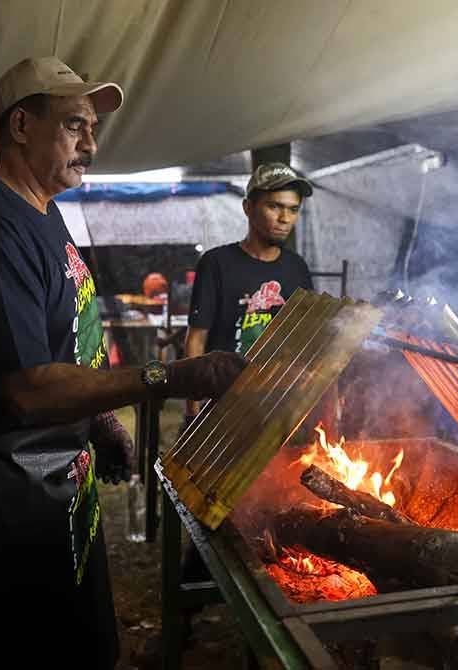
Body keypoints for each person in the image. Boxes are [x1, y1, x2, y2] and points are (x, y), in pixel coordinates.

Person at [0, 56, 245, 670]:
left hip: (55, 469)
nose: (90, 143)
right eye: (73, 125)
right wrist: (168, 378)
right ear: (20, 127)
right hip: (5, 484)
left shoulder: (45, 210)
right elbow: (28, 390)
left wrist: (99, 423)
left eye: (92, 128)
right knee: (37, 650)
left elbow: (59, 343)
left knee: (82, 639)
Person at [175, 161, 313, 642]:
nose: (283, 218)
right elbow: (195, 340)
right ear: (249, 207)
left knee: (268, 505)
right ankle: (186, 613)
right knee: (207, 513)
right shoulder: (218, 263)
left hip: (274, 410)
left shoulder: (296, 269)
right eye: (274, 206)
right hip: (221, 409)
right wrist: (194, 407)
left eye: (292, 211)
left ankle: (268, 601)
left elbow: (305, 341)